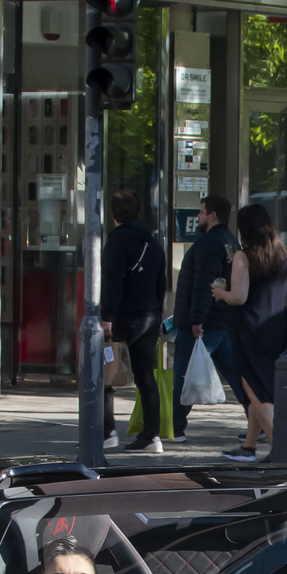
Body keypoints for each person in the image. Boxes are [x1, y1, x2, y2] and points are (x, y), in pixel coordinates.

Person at [212, 202, 287, 463]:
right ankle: (248, 446)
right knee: (262, 385)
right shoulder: (281, 254)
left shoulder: (243, 257)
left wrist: (220, 293)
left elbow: (239, 297)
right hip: (274, 327)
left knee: (254, 390)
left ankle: (282, 448)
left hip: (249, 331)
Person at [100, 190, 168, 452]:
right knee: (145, 378)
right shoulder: (153, 243)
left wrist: (107, 317)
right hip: (150, 317)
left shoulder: (117, 241)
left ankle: (108, 432)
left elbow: (112, 282)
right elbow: (161, 283)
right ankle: (152, 436)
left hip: (124, 318)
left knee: (106, 375)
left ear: (114, 213)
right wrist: (159, 315)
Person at [170, 193, 239, 447]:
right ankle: (258, 417)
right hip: (223, 322)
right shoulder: (231, 241)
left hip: (203, 324)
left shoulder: (209, 243)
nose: (197, 216)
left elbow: (202, 285)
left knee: (183, 374)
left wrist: (196, 319)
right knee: (236, 374)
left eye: (200, 212)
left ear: (212, 215)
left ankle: (175, 426)